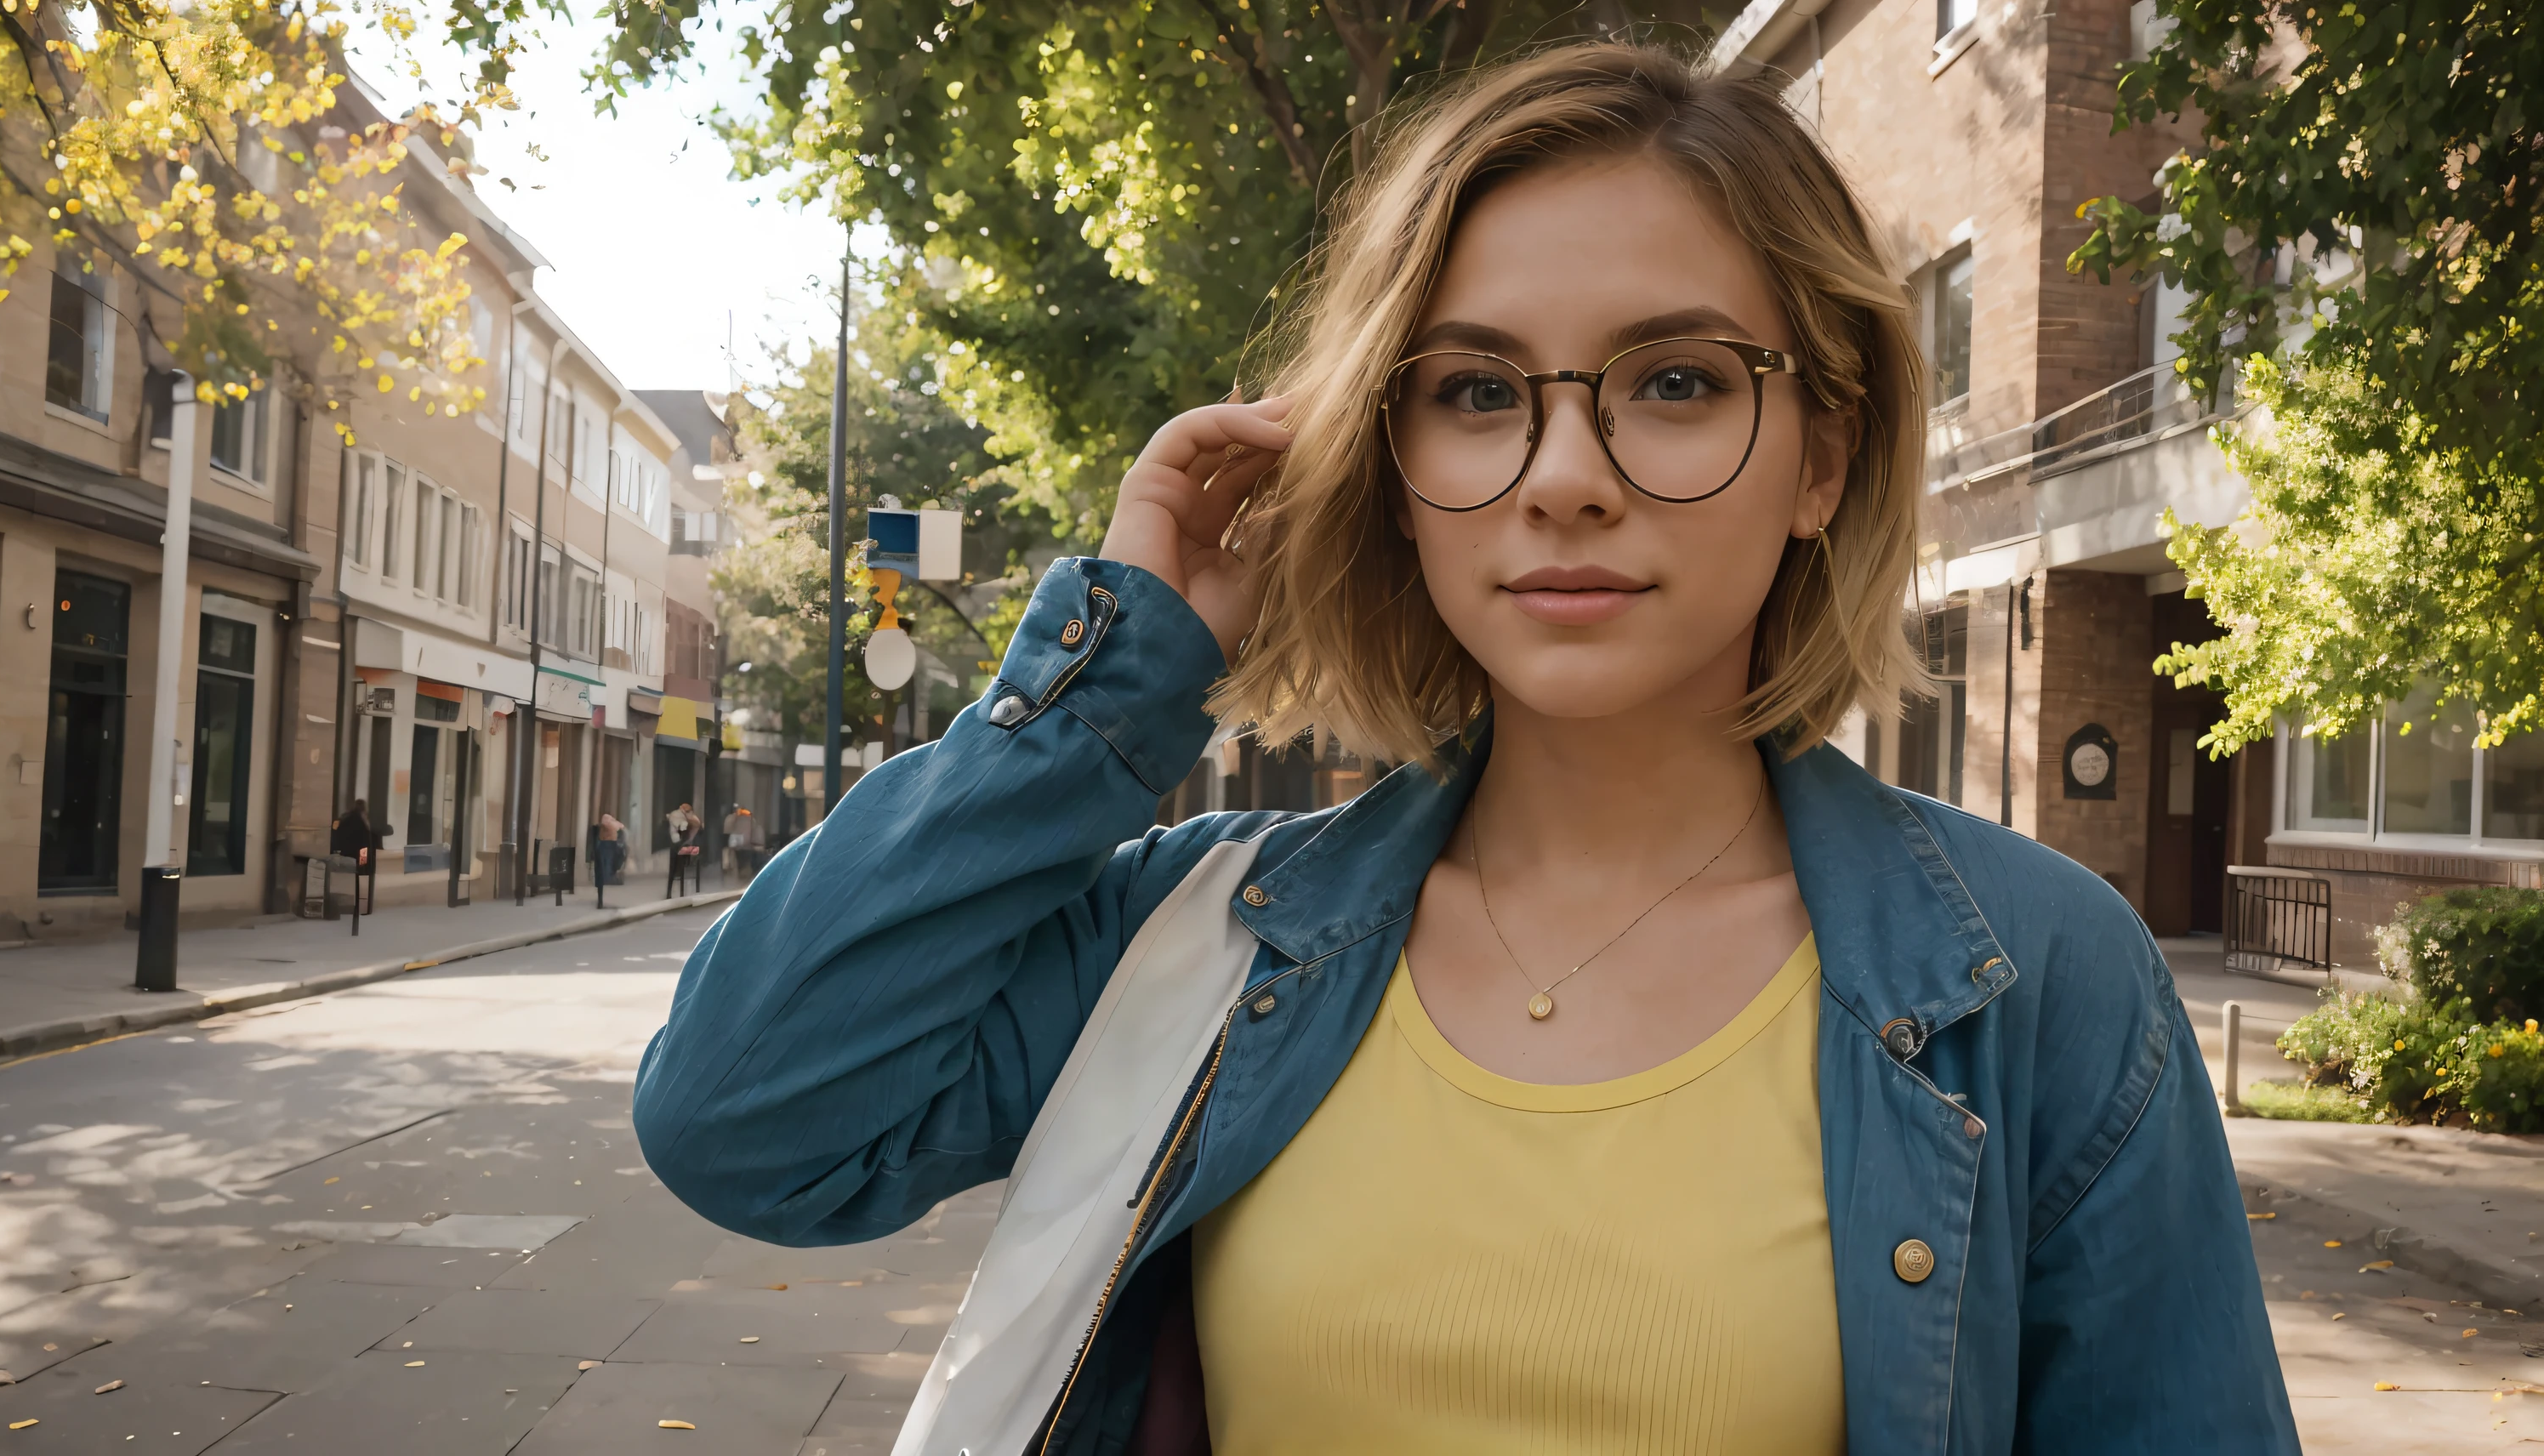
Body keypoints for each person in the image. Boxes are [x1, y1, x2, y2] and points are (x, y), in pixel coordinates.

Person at [634, 43, 2293, 1456]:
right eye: (1477, 393)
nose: (1567, 471)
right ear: (1388, 454)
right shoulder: (1203, 946)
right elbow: (744, 1118)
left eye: (1679, 380)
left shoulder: (2036, 981)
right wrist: (1122, 671)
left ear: (1821, 464)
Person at [663, 802, 703, 896]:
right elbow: (683, 827)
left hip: (680, 843)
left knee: (674, 869)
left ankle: (671, 893)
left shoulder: (679, 815)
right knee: (675, 868)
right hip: (677, 843)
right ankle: (671, 892)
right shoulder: (677, 815)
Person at [593, 810, 627, 908]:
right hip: (610, 847)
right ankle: (600, 899)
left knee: (601, 875)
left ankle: (600, 900)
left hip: (603, 848)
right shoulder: (611, 825)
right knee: (607, 870)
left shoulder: (602, 827)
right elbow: (621, 826)